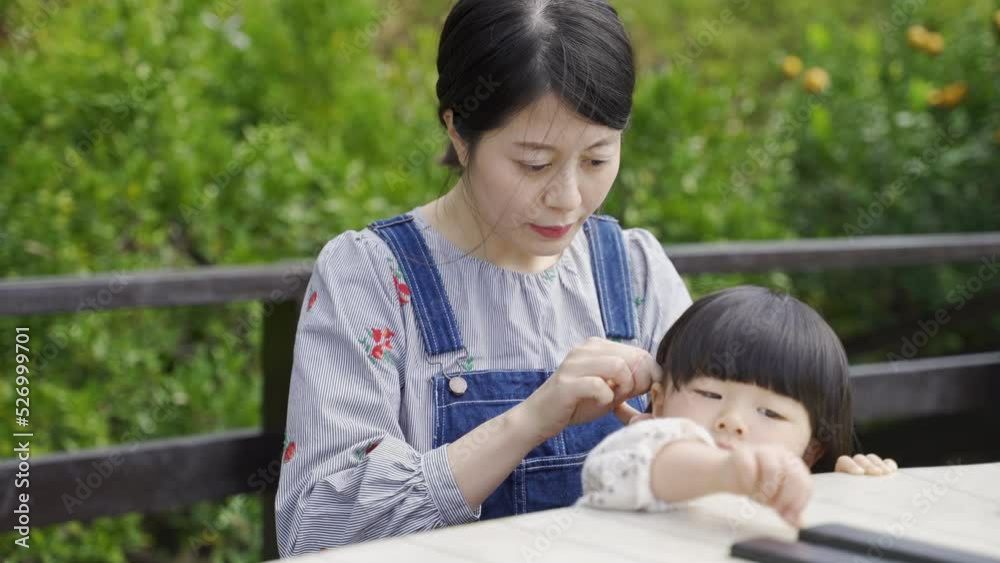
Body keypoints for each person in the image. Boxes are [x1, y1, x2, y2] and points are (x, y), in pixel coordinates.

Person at [275, 0, 693, 556]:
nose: (568, 198)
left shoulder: (635, 270)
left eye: (596, 159)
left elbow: (721, 461)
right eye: (534, 164)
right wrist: (528, 421)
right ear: (458, 130)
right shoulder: (371, 276)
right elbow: (315, 530)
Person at [579, 286, 897, 527]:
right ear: (660, 404)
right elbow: (608, 475)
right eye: (709, 394)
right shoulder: (639, 448)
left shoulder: (789, 498)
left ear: (811, 451)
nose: (732, 420)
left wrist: (846, 492)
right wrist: (725, 471)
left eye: (770, 412)